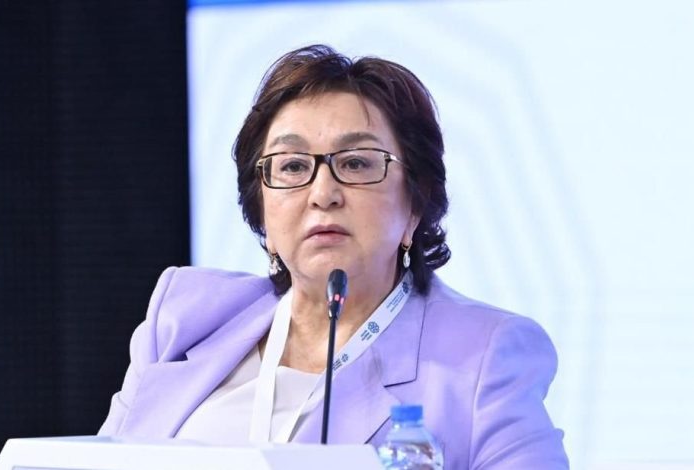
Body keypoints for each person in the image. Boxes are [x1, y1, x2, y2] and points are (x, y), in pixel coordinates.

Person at [99, 44, 569, 469]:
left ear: (416, 202)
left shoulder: (484, 356)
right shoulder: (184, 317)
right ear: (261, 209)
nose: (322, 193)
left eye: (356, 163)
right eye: (292, 166)